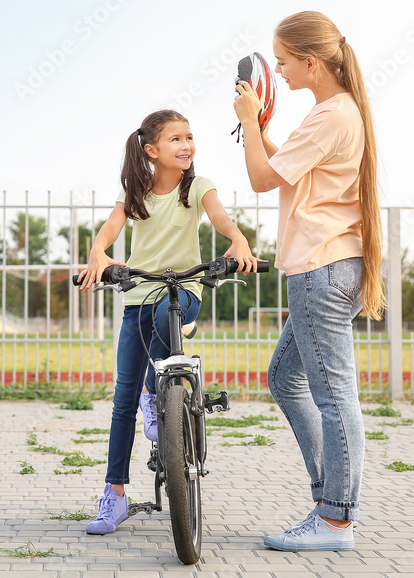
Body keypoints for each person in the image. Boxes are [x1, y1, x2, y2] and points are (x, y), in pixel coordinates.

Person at [233, 11, 385, 551]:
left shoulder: (330, 116)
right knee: (284, 377)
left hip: (320, 270)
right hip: (327, 266)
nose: (279, 72)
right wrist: (264, 133)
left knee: (334, 394)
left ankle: (336, 517)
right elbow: (286, 170)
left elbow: (257, 180)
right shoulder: (336, 112)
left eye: (283, 62)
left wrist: (249, 120)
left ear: (311, 62)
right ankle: (329, 499)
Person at [76, 109, 260, 535]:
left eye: (190, 137)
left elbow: (220, 219)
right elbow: (108, 230)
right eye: (176, 139)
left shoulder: (197, 187)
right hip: (138, 297)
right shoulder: (135, 192)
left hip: (183, 293)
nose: (186, 145)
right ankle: (115, 495)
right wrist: (98, 254)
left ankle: (152, 392)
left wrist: (238, 240)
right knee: (121, 402)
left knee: (166, 318)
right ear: (151, 150)